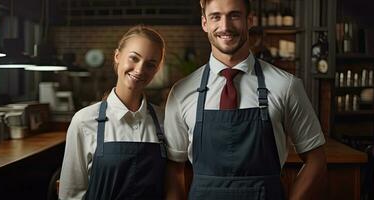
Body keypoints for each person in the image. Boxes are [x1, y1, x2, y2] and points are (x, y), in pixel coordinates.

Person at [164, 0, 327, 199]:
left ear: (249, 20)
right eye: (216, 16)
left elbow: (316, 160)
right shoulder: (181, 92)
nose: (225, 26)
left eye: (234, 15)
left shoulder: (287, 86)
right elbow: (174, 169)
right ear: (205, 23)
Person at [59, 25, 167, 200]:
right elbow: (71, 194)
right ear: (117, 56)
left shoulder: (165, 120)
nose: (139, 70)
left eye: (150, 64)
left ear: (156, 70)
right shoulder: (84, 121)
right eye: (134, 58)